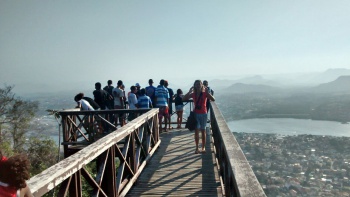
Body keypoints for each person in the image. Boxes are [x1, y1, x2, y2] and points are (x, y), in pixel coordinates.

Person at [183, 80, 215, 154]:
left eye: (199, 84)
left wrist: (208, 93)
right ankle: (197, 147)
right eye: (196, 84)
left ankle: (203, 147)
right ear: (194, 85)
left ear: (201, 85)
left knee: (203, 131)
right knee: (197, 131)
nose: (198, 85)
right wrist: (189, 92)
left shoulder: (204, 94)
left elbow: (213, 99)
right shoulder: (193, 94)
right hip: (196, 114)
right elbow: (184, 99)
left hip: (203, 114)